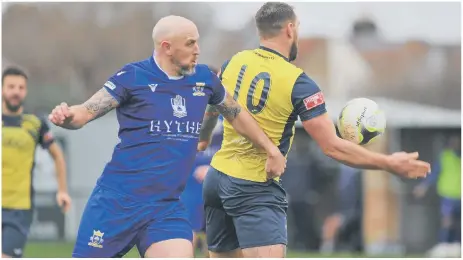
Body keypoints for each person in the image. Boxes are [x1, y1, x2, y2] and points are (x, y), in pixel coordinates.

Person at [198, 2, 431, 258]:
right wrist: (388, 162)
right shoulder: (300, 83)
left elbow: (215, 100)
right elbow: (332, 146)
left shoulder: (234, 61)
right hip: (254, 185)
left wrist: (204, 137)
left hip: (217, 179)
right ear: (289, 29)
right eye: (298, 27)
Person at [48, 15, 286, 258]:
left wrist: (271, 149)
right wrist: (67, 116)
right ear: (167, 47)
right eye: (191, 43)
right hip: (116, 203)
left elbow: (236, 113)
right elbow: (85, 112)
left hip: (166, 208)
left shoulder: (205, 80)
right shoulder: (133, 76)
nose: (198, 50)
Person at [2, 67, 72, 258]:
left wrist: (63, 190)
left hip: (19, 209)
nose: (16, 91)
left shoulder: (35, 124)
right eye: (11, 86)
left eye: (20, 87)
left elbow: (57, 156)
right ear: (2, 89)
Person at [180, 109, 224, 257]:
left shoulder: (229, 107)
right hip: (190, 181)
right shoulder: (185, 108)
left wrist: (214, 168)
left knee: (218, 231)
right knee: (187, 228)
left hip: (222, 178)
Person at [413, 135, 461, 257]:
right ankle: (444, 244)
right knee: (447, 220)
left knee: (458, 222)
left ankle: (457, 245)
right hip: (448, 194)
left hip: (460, 195)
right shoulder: (445, 156)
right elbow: (435, 173)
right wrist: (423, 186)